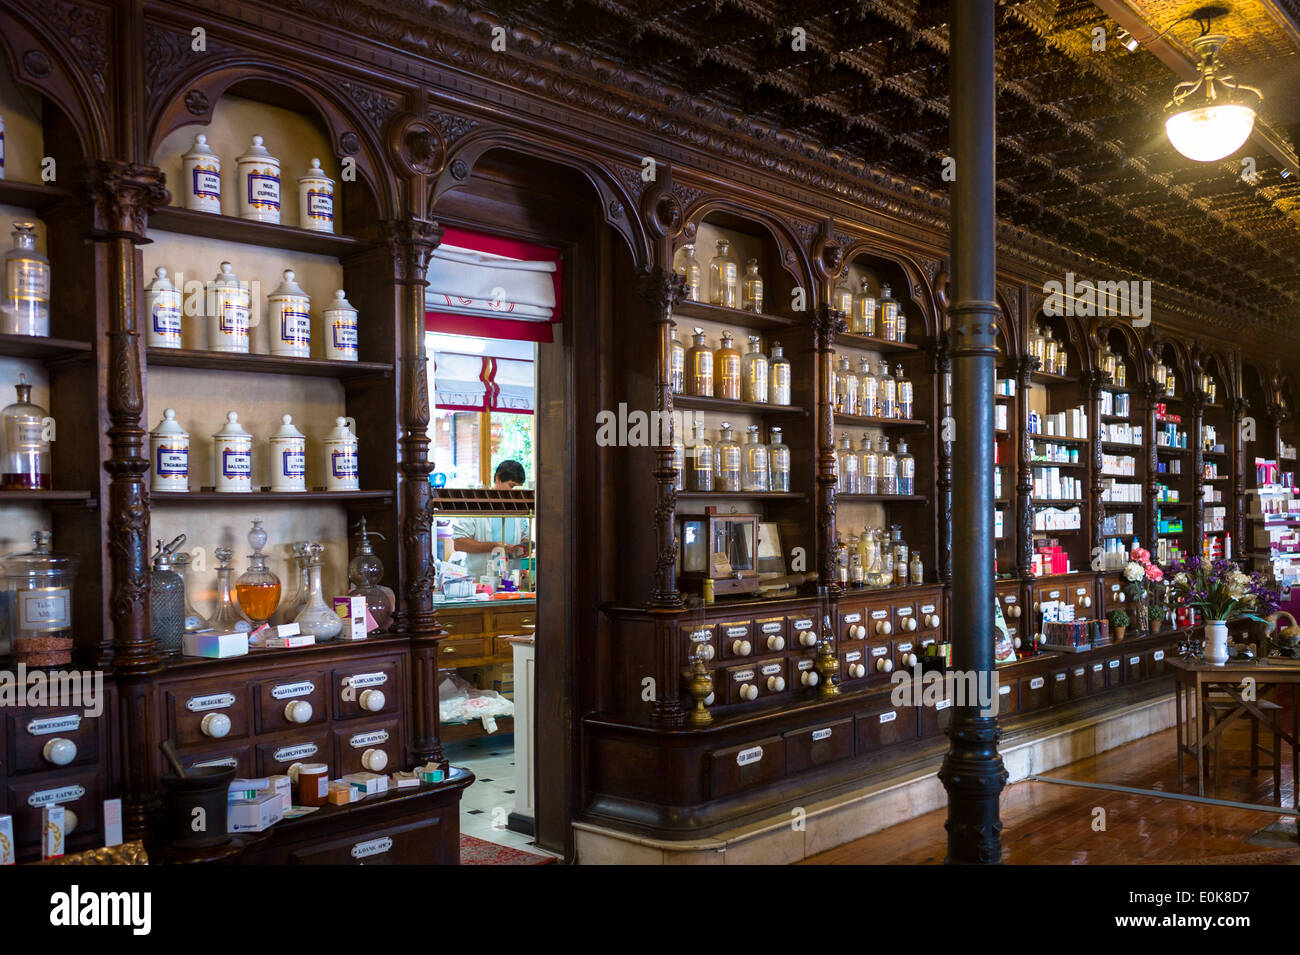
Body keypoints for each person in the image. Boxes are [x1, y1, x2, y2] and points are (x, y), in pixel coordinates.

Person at [452, 460, 532, 581]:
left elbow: (524, 536)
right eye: (511, 486)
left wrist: (525, 546)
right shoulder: (476, 504)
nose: (513, 492)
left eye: (517, 488)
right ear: (497, 478)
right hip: (480, 581)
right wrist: (495, 546)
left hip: (511, 580)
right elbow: (459, 543)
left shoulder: (518, 508)